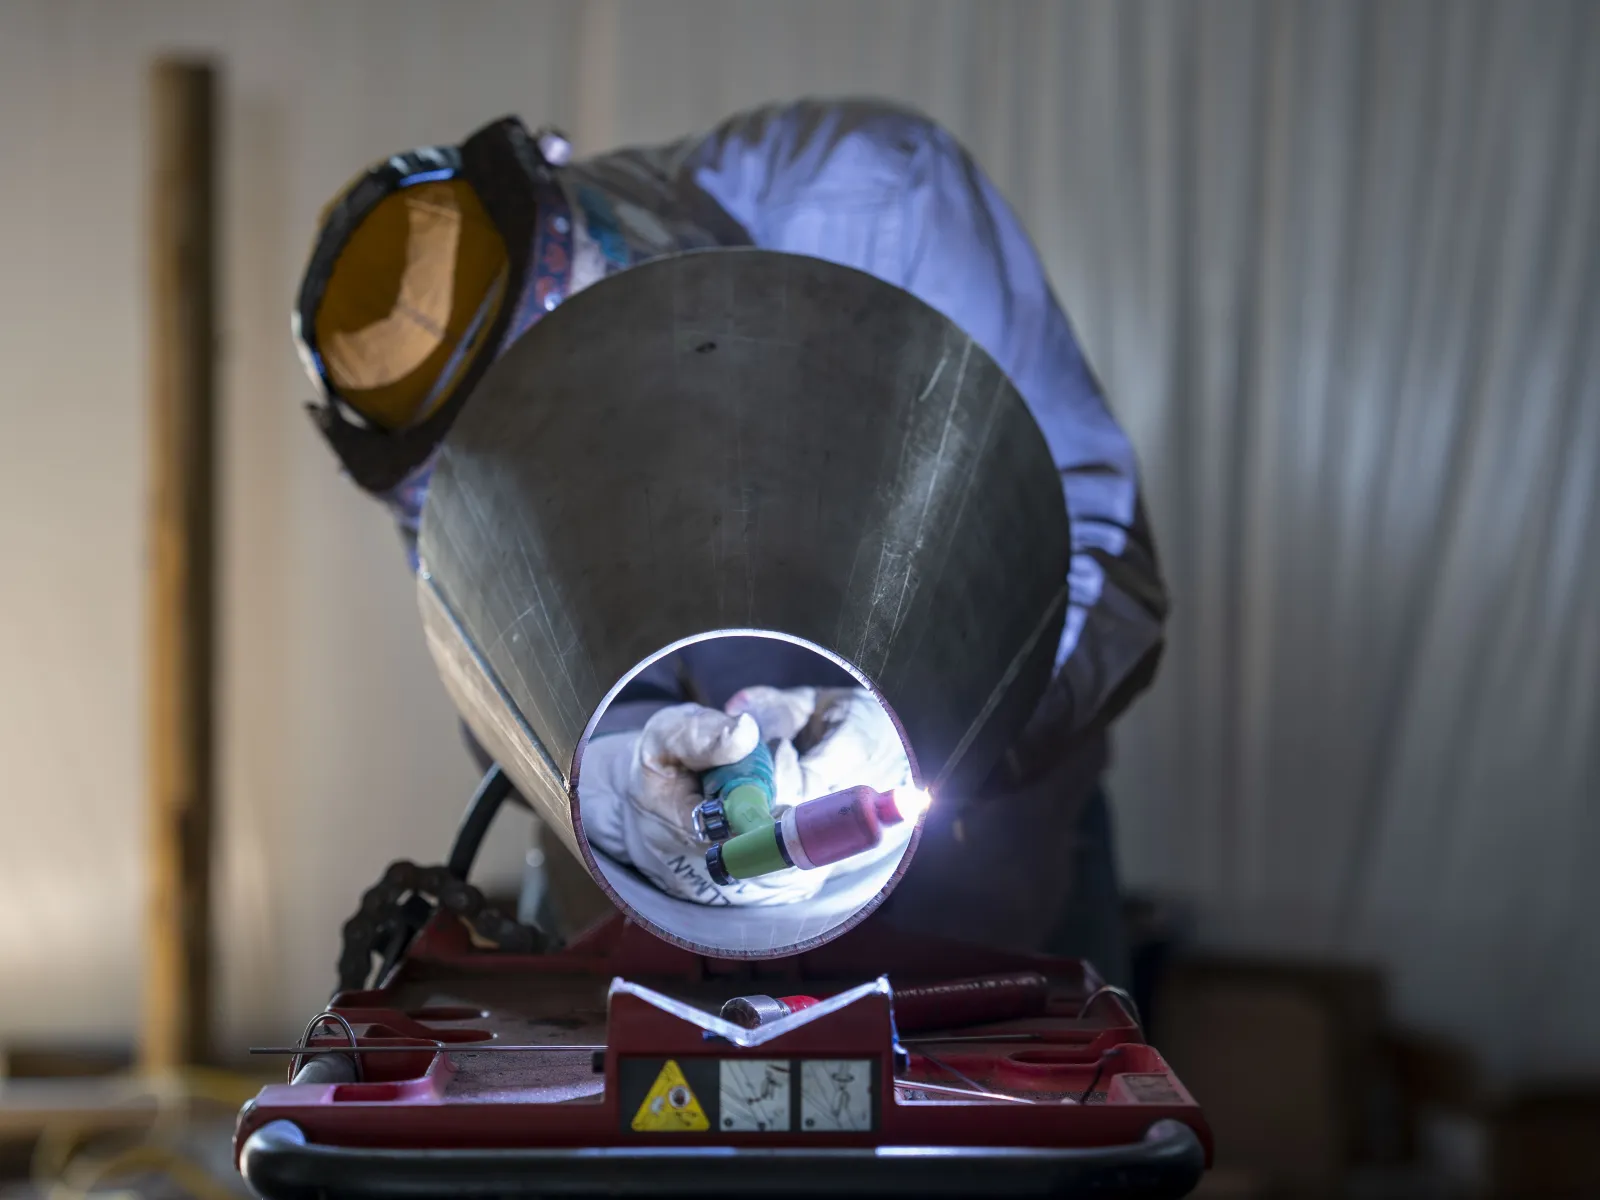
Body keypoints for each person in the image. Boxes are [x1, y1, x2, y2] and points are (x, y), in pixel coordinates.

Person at [293, 99, 1168, 983]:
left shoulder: (872, 202)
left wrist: (924, 732)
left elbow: (1104, 566)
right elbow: (497, 665)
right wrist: (621, 776)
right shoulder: (439, 440)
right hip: (654, 921)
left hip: (980, 877)